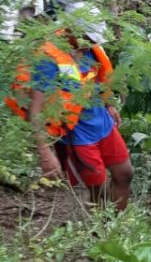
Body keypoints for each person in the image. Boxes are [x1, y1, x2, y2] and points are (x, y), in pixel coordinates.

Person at [6, 18, 133, 210]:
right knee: (98, 190)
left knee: (125, 173)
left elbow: (95, 79)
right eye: (87, 37)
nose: (91, 42)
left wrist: (108, 105)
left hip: (102, 124)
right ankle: (107, 232)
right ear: (71, 30)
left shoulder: (92, 50)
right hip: (77, 135)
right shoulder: (48, 60)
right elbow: (36, 110)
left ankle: (120, 223)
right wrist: (44, 151)